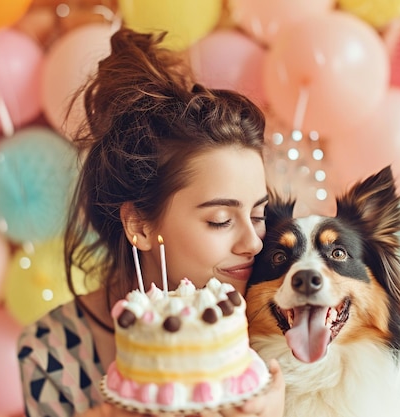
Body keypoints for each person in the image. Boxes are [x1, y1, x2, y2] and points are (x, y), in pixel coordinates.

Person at [17, 27, 285, 417]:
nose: (254, 242)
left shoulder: (276, 318)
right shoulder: (52, 349)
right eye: (221, 220)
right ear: (140, 226)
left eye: (258, 214)